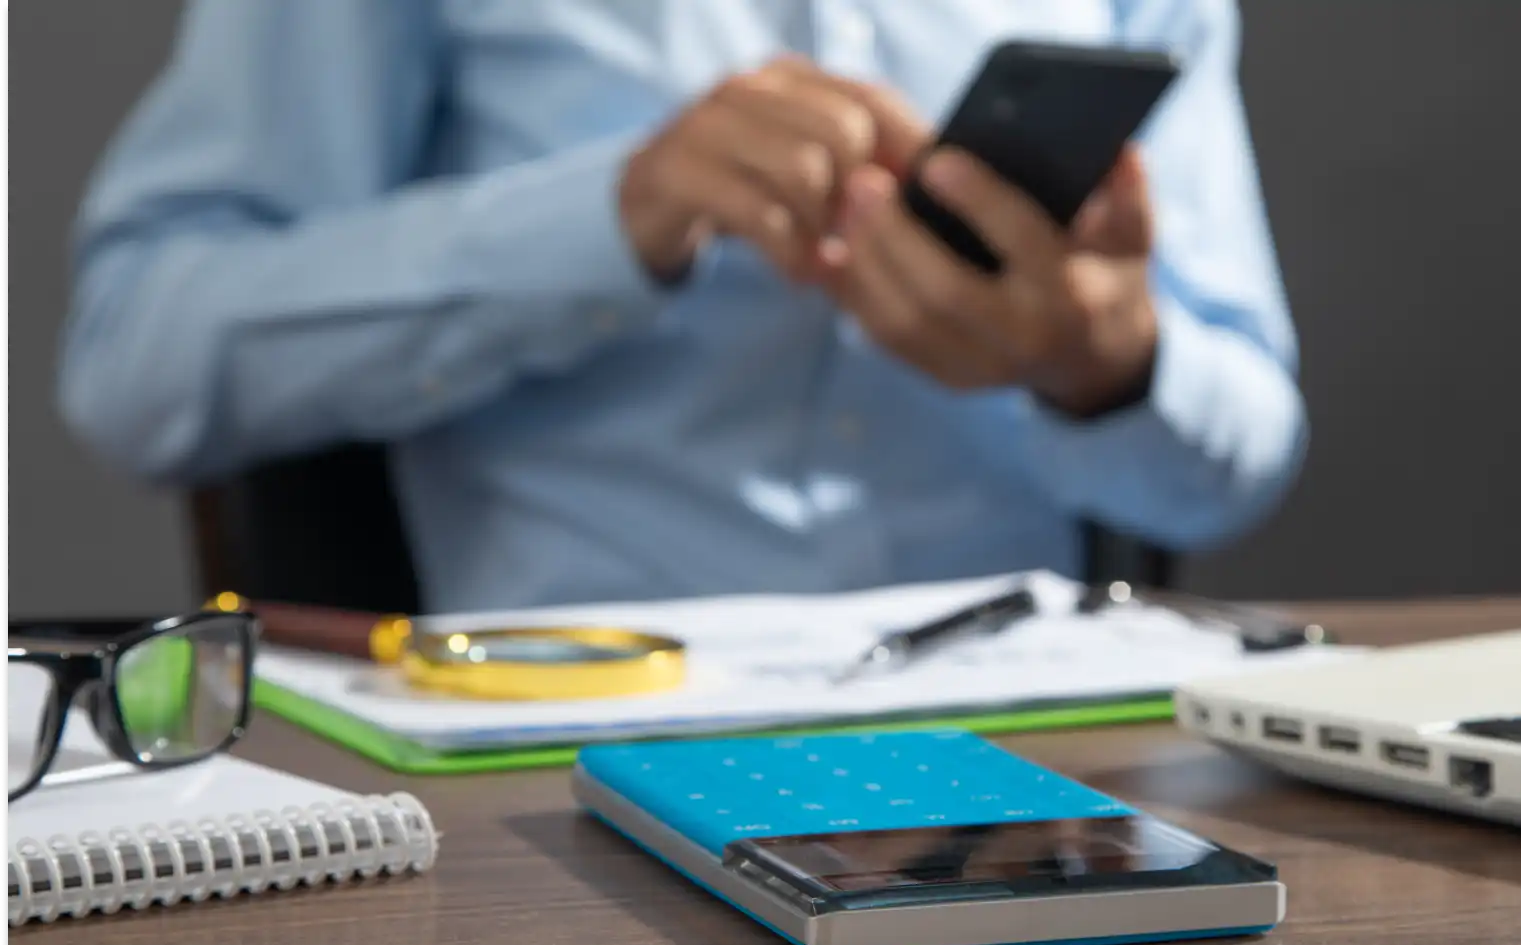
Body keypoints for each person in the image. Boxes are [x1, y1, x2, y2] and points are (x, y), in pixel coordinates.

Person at [59, 0, 1306, 614]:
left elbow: (1235, 464)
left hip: (1031, 769)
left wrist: (1103, 361)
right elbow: (134, 358)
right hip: (556, 777)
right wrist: (608, 216)